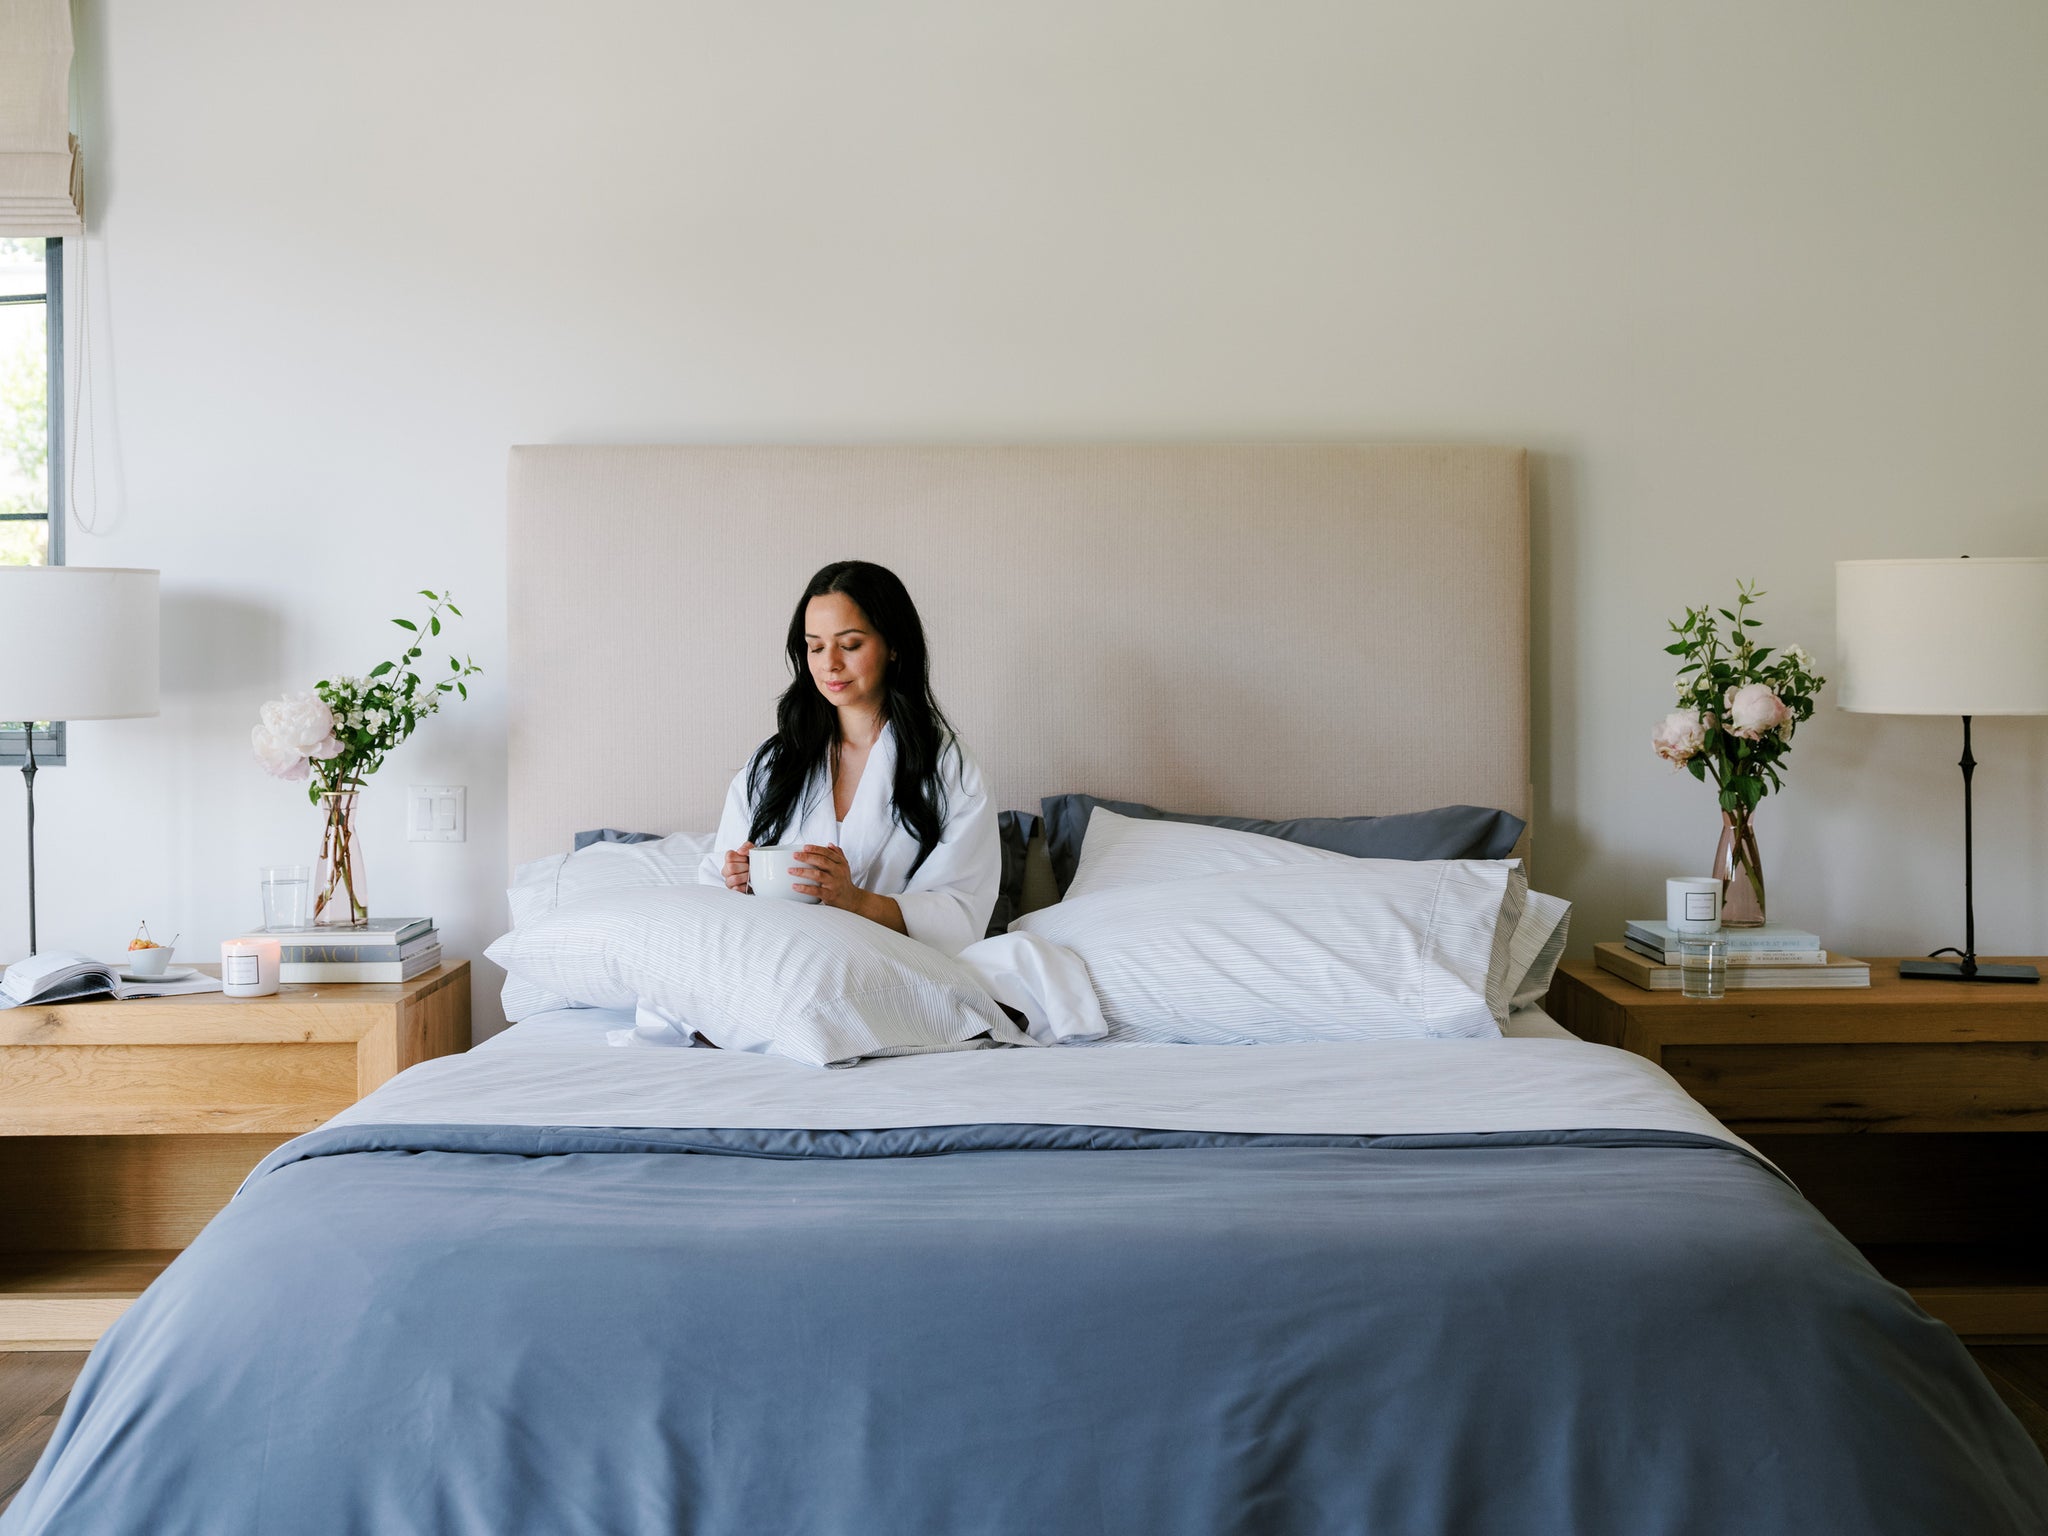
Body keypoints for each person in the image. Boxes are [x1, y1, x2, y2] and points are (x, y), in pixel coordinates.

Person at [699, 560, 1000, 957]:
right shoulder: (773, 765)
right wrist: (737, 882)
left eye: (851, 644)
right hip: (781, 966)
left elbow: (962, 911)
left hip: (893, 970)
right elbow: (711, 896)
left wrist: (854, 900)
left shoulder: (947, 768)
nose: (830, 664)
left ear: (894, 646)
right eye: (816, 647)